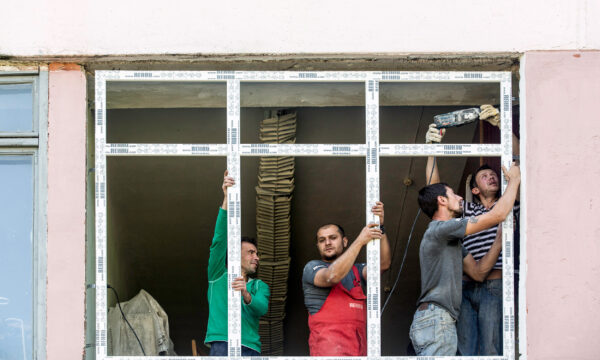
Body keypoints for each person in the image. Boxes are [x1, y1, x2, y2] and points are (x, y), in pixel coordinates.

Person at [425, 105, 520, 355]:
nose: (492, 177)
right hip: (465, 287)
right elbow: (436, 192)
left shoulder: (507, 203)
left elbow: (522, 163)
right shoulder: (467, 210)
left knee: (491, 348)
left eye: (494, 175)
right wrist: (431, 150)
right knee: (466, 350)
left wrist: (502, 126)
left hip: (495, 286)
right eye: (485, 175)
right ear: (474, 189)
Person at [409, 163, 520, 356]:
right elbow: (499, 214)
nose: (460, 197)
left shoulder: (453, 243)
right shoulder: (441, 229)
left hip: (440, 317)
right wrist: (515, 180)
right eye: (454, 194)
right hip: (437, 317)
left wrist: (499, 241)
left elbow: (477, 273)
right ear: (442, 200)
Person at [302, 202, 391, 356]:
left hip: (359, 352)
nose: (327, 243)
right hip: (328, 353)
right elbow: (332, 276)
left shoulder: (357, 270)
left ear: (344, 241)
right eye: (322, 240)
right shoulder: (312, 267)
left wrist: (380, 228)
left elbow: (383, 264)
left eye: (333, 238)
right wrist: (360, 241)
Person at [204, 171, 270, 356]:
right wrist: (226, 199)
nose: (256, 257)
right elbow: (218, 241)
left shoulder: (259, 286)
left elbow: (261, 308)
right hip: (222, 343)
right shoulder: (217, 276)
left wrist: (245, 293)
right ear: (234, 253)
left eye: (257, 253)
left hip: (250, 347)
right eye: (251, 252)